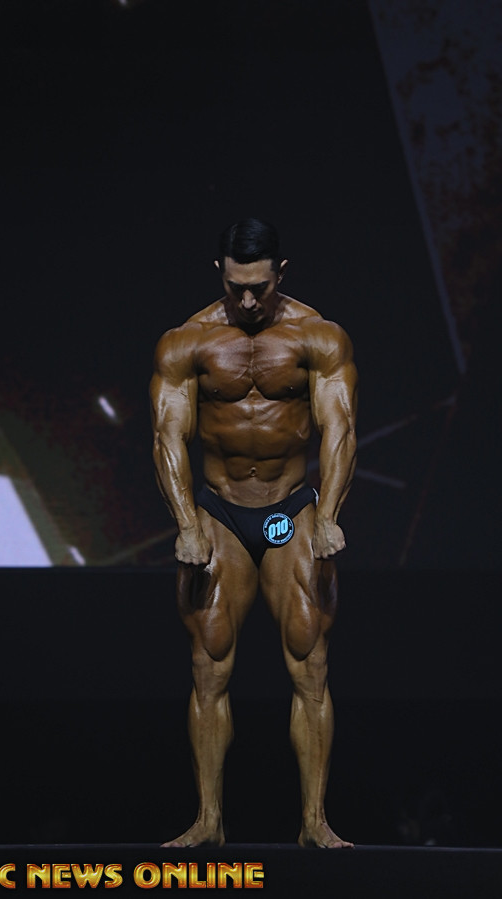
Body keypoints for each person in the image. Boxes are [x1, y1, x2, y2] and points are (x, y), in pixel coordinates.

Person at [150, 218, 357, 848]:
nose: (247, 301)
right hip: (220, 511)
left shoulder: (317, 335)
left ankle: (314, 823)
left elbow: (340, 429)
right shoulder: (187, 342)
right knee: (208, 662)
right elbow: (167, 436)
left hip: (290, 508)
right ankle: (209, 821)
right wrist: (187, 524)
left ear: (280, 273)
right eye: (236, 287)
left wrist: (328, 515)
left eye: (259, 288)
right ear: (220, 272)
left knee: (310, 661)